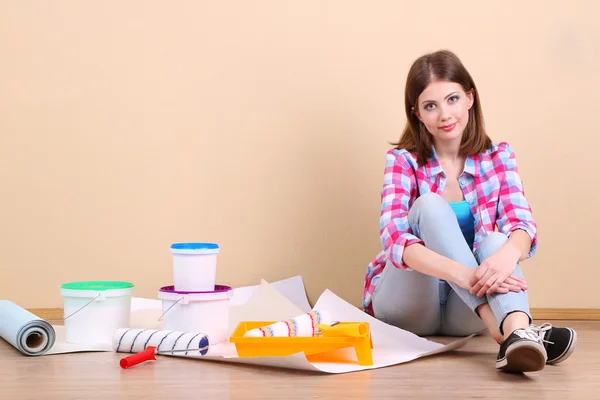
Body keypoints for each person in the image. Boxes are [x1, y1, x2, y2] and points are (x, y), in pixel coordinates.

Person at [362, 49, 576, 373]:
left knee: (496, 243)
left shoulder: (499, 157)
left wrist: (506, 255)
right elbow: (394, 239)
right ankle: (503, 328)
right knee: (429, 206)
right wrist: (463, 274)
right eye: (430, 106)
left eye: (452, 99)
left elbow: (522, 223)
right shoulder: (403, 161)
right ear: (417, 113)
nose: (445, 114)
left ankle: (517, 332)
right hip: (409, 306)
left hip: (463, 314)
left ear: (470, 98)